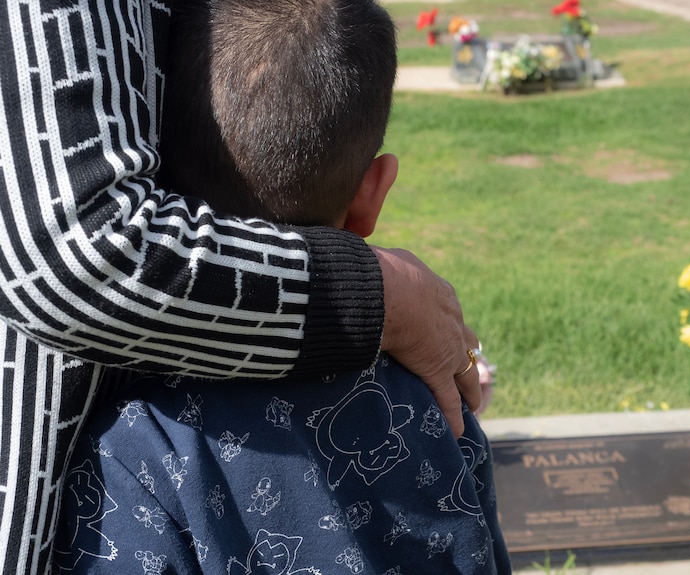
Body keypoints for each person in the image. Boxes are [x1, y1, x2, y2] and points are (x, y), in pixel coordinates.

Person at [0, 1, 481, 573]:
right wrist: (378, 293)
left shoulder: (132, 446)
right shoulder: (433, 399)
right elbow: (79, 254)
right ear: (374, 191)